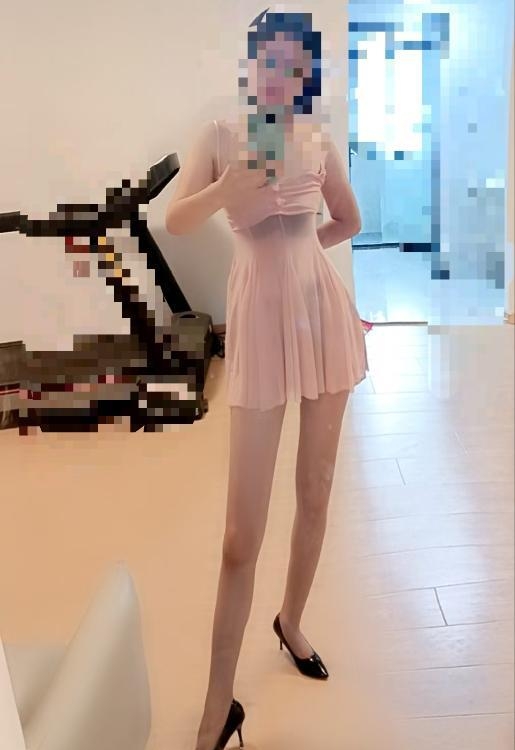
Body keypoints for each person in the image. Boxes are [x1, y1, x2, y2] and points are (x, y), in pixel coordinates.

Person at [166, 9, 368, 750]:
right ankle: (217, 706)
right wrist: (230, 187)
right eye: (268, 61)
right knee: (237, 535)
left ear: (305, 72)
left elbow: (347, 219)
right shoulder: (220, 137)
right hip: (257, 331)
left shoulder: (317, 139)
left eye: (294, 64)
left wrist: (302, 266)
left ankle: (292, 621)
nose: (280, 75)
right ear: (251, 66)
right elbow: (177, 222)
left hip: (323, 321)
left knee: (315, 491)